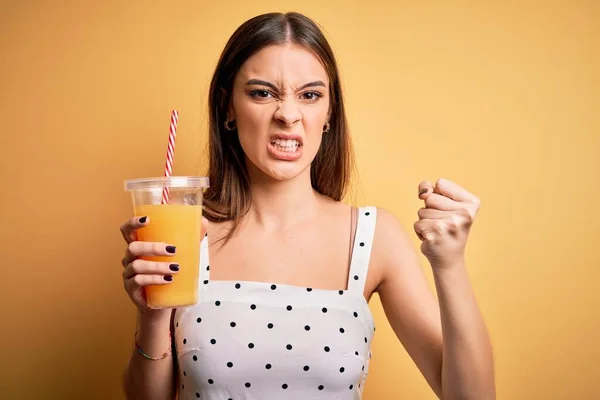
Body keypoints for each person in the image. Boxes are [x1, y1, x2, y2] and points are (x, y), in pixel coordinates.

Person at [119, 11, 495, 400]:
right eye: (262, 93)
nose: (288, 114)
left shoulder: (372, 237)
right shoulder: (184, 234)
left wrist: (449, 263)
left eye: (310, 95)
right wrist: (152, 312)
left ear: (329, 112)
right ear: (228, 106)